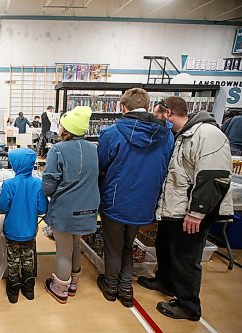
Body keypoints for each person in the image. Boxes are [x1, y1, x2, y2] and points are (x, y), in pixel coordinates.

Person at [139, 97, 233, 321]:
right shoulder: (181, 135)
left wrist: (196, 212)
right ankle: (166, 281)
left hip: (192, 212)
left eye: (158, 115)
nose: (156, 120)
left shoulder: (208, 135)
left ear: (168, 113)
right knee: (166, 247)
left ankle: (189, 305)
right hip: (174, 208)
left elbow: (214, 177)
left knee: (186, 257)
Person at [97, 88, 173, 308]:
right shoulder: (165, 135)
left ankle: (111, 286)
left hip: (115, 199)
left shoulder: (112, 133)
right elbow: (166, 164)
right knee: (128, 246)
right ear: (148, 107)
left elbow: (102, 165)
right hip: (145, 201)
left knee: (113, 246)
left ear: (123, 107)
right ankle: (126, 289)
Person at [42, 106, 100, 304]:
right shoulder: (93, 149)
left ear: (66, 129)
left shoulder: (58, 150)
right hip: (89, 207)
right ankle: (73, 283)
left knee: (63, 250)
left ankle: (60, 288)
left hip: (66, 210)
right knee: (76, 245)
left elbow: (49, 185)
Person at [0, 148, 48, 303]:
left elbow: (4, 207)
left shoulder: (8, 184)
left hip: (12, 231)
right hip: (29, 231)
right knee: (28, 259)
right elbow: (42, 209)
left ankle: (13, 292)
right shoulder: (38, 184)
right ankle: (29, 289)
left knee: (13, 260)